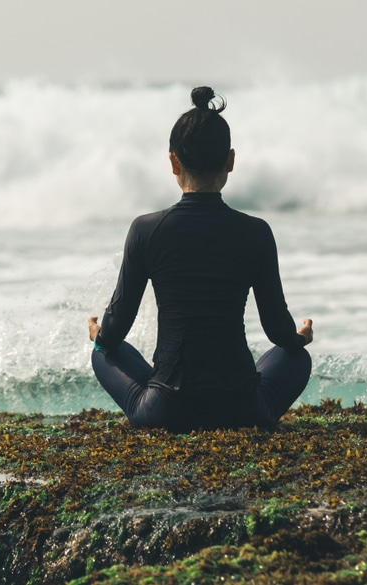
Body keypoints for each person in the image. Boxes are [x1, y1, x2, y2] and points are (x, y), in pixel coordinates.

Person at [87, 86, 313, 433]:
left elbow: (116, 328)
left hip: (163, 412)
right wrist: (300, 338)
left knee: (103, 352)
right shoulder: (256, 232)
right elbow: (278, 331)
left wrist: (99, 336)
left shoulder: (146, 230)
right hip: (244, 410)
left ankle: (153, 390)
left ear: (173, 162)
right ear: (230, 161)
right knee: (297, 358)